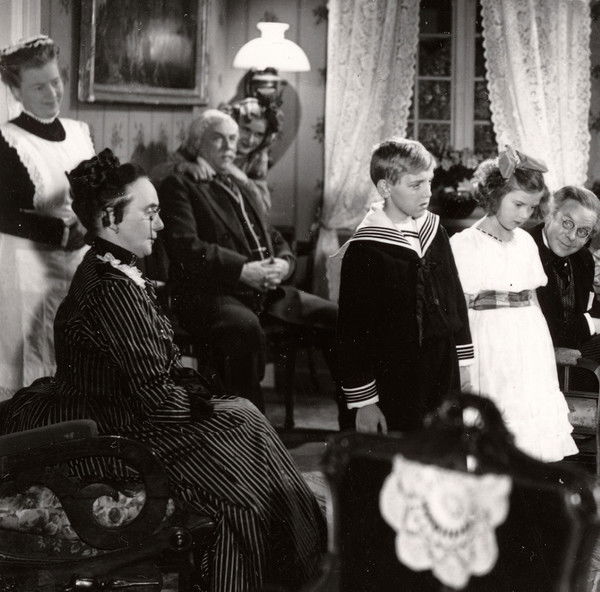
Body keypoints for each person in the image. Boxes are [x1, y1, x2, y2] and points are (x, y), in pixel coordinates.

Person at [0, 149, 325, 592]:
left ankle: (302, 562)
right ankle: (288, 572)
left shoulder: (115, 269)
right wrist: (213, 407)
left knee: (246, 422)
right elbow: (157, 401)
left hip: (119, 412)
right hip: (106, 431)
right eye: (150, 213)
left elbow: (153, 382)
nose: (160, 224)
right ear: (111, 219)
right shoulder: (111, 290)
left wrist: (213, 403)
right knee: (243, 464)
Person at [157, 110, 351, 428]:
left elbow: (271, 235)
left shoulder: (239, 182)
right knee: (243, 329)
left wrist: (285, 263)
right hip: (212, 294)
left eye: (233, 139)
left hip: (264, 290)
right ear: (196, 142)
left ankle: (354, 424)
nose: (229, 146)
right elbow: (186, 247)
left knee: (337, 317)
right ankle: (251, 433)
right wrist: (242, 270)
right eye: (218, 139)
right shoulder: (179, 183)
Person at [335, 138, 474, 434]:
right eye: (416, 185)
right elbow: (352, 331)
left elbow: (454, 298)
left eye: (429, 181)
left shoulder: (435, 232)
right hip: (394, 376)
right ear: (385, 188)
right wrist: (365, 402)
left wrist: (463, 365)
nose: (427, 192)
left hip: (442, 368)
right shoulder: (365, 249)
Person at [449, 147, 578, 462]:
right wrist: (463, 366)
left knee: (530, 426)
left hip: (529, 343)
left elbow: (533, 299)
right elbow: (457, 311)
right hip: (489, 344)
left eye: (531, 207)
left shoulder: (526, 243)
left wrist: (543, 351)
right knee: (494, 422)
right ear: (494, 196)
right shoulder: (465, 244)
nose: (524, 215)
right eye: (518, 204)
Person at [0, 35, 95, 401]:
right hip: (29, 270)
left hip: (80, 265)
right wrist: (61, 231)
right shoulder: (7, 140)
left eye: (56, 82)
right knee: (34, 365)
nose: (52, 93)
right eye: (39, 87)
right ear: (16, 91)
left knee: (75, 361)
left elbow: (97, 191)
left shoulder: (79, 132)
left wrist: (91, 220)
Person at [151, 97, 279, 213]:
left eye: (259, 134)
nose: (251, 140)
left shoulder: (257, 157)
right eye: (246, 130)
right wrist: (183, 166)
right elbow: (156, 174)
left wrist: (242, 179)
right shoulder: (202, 146)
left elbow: (263, 207)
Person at [526, 185, 600, 365]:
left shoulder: (584, 258)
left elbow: (589, 308)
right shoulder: (523, 249)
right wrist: (592, 324)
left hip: (575, 353)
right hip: (533, 358)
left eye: (583, 231)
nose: (572, 236)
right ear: (549, 214)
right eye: (567, 223)